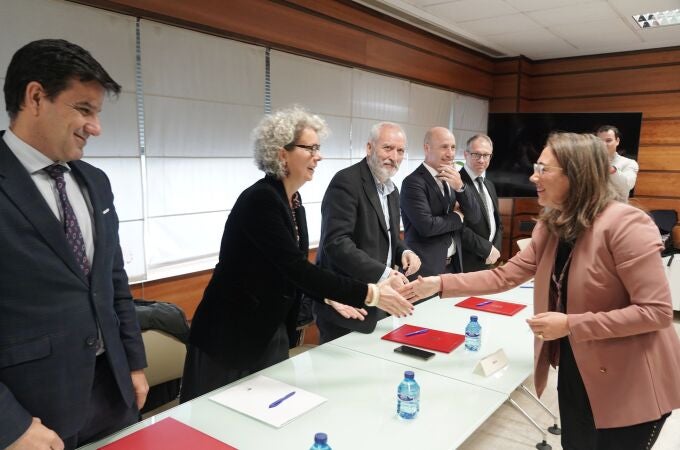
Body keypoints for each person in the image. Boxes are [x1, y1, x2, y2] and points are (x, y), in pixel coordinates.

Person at [406, 132, 680, 450]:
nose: (533, 176)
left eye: (543, 169)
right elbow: (506, 275)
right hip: (580, 364)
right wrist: (439, 283)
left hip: (631, 378)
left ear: (576, 175)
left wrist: (570, 324)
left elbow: (656, 312)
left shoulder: (627, 225)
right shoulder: (552, 224)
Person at [180, 108, 415, 402]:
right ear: (282, 154)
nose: (319, 156)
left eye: (319, 148)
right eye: (311, 148)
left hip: (268, 330)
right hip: (230, 335)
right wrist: (371, 293)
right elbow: (296, 268)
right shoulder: (261, 200)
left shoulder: (293, 201)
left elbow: (291, 270)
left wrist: (327, 296)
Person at [0, 39, 148, 450]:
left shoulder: (95, 182)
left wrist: (134, 365)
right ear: (35, 97)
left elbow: (114, 281)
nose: (95, 127)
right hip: (30, 409)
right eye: (84, 109)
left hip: (112, 392)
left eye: (97, 113)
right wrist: (8, 424)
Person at [313, 122, 421, 343]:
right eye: (388, 148)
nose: (394, 156)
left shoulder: (392, 189)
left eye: (400, 151)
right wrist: (386, 273)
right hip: (348, 305)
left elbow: (389, 237)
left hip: (382, 302)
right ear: (369, 148)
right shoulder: (346, 182)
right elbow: (337, 243)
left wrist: (404, 252)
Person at [400, 127, 480, 277]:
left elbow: (475, 217)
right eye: (444, 147)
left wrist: (460, 187)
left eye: (453, 147)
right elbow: (427, 226)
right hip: (424, 271)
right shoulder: (413, 182)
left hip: (454, 267)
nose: (450, 153)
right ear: (427, 148)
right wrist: (458, 216)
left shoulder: (453, 178)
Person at [459, 134, 503, 272]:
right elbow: (458, 227)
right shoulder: (456, 184)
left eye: (486, 155)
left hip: (488, 260)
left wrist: (494, 249)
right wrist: (487, 250)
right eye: (476, 154)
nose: (481, 160)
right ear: (466, 154)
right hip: (465, 262)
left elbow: (497, 223)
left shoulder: (489, 185)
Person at [596, 125, 638, 201]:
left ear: (617, 141)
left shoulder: (629, 163)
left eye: (608, 140)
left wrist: (611, 169)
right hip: (592, 209)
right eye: (600, 141)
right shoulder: (589, 161)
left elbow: (628, 185)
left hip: (617, 209)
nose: (604, 144)